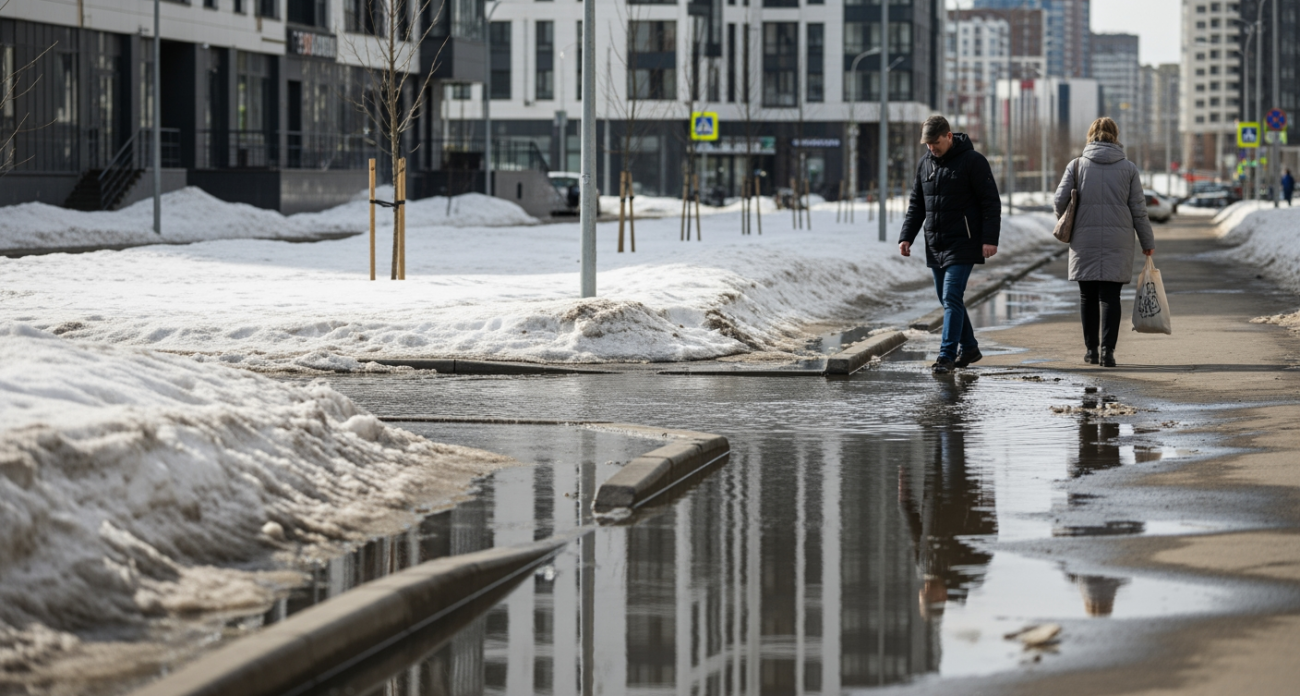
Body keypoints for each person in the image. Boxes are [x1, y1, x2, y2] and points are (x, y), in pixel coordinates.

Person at [899, 115, 1002, 374]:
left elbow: (990, 201)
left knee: (951, 295)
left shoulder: (973, 161)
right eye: (927, 143)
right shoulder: (925, 164)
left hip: (964, 242)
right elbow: (917, 205)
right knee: (948, 300)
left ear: (949, 136)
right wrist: (906, 236)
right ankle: (969, 347)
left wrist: (989, 239)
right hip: (935, 243)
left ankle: (946, 355)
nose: (931, 147)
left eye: (935, 142)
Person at [1054, 117, 1155, 368]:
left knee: (1087, 296)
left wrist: (1067, 218)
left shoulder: (1076, 166)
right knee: (1111, 297)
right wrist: (1147, 241)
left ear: (1091, 135)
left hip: (1083, 238)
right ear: (1115, 136)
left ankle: (1091, 351)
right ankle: (1108, 353)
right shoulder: (1129, 169)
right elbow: (1139, 210)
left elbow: (1059, 200)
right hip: (1117, 240)